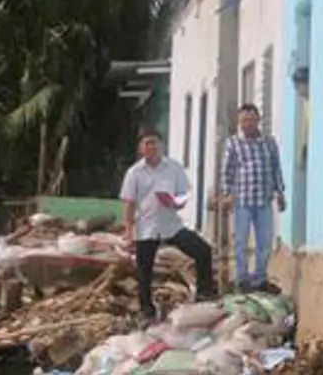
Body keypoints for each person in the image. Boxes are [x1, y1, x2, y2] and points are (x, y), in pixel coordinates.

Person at [120, 131, 217, 323]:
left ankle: (204, 293)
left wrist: (176, 203)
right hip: (146, 226)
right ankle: (146, 310)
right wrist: (128, 232)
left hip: (171, 224)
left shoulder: (173, 168)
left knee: (203, 250)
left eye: (154, 143)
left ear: (161, 146)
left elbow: (183, 194)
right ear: (141, 148)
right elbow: (129, 203)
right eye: (147, 144)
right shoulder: (134, 173)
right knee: (144, 270)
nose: (151, 147)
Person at [219, 103, 287, 292]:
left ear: (258, 121)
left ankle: (260, 279)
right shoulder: (233, 143)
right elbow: (227, 170)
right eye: (243, 121)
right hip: (242, 200)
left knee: (264, 242)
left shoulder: (269, 142)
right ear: (239, 123)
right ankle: (242, 279)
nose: (247, 124)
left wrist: (280, 193)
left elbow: (276, 168)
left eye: (250, 120)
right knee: (241, 241)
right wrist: (226, 194)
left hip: (264, 200)